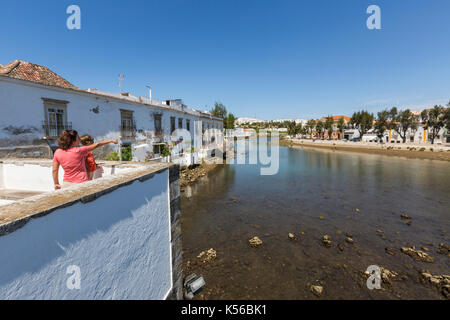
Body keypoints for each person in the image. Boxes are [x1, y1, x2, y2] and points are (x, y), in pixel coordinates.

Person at [53, 130, 118, 190]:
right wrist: (111, 141)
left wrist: (56, 183)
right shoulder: (79, 151)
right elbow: (97, 144)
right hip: (81, 184)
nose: (79, 139)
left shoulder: (57, 152)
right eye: (77, 138)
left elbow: (55, 170)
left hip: (66, 184)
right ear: (73, 141)